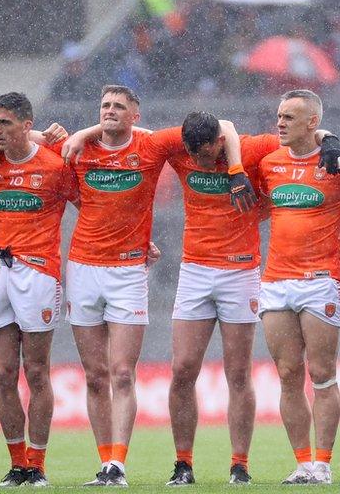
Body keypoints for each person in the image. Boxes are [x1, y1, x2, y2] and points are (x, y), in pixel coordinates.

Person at [55, 85, 249, 487]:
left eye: (119, 107)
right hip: (83, 269)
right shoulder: (78, 148)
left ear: (135, 115)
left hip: (128, 271)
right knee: (94, 375)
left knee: (122, 373)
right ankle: (103, 461)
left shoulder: (153, 144)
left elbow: (223, 127)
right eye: (104, 105)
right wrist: (78, 134)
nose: (110, 111)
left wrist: (236, 172)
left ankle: (119, 466)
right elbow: (30, 140)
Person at [163, 111, 340, 486]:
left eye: (204, 154)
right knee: (182, 369)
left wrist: (330, 139)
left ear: (218, 142)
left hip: (240, 271)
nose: (197, 162)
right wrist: (83, 134)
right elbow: (127, 134)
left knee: (238, 373)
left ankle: (239, 465)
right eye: (192, 156)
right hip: (194, 269)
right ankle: (183, 464)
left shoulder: (251, 148)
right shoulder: (178, 146)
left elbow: (300, 139)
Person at [257, 90, 340, 485]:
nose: (281, 122)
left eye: (290, 116)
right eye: (279, 115)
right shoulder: (268, 162)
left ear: (313, 123)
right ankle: (303, 463)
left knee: (321, 372)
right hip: (275, 281)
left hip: (319, 281)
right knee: (289, 373)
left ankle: (323, 464)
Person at [0, 93, 76, 487]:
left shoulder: (54, 165)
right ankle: (16, 465)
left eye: (5, 123)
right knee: (3, 372)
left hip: (38, 272)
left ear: (26, 123)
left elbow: (89, 205)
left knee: (36, 371)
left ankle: (38, 465)